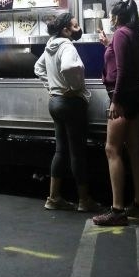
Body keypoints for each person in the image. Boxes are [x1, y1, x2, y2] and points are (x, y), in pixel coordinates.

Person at [34, 12, 102, 213]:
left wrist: (52, 87)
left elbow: (38, 68)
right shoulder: (66, 46)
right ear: (65, 30)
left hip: (55, 102)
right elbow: (70, 67)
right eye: (75, 25)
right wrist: (75, 87)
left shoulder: (50, 45)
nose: (78, 28)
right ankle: (84, 200)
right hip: (71, 103)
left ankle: (53, 198)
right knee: (77, 153)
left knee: (60, 151)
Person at [92, 0, 139, 226]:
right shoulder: (132, 34)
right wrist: (108, 45)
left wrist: (115, 101)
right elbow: (123, 62)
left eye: (112, 15)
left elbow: (122, 70)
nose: (110, 18)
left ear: (117, 17)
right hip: (134, 95)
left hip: (121, 97)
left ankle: (117, 210)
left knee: (111, 149)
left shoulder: (122, 34)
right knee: (134, 150)